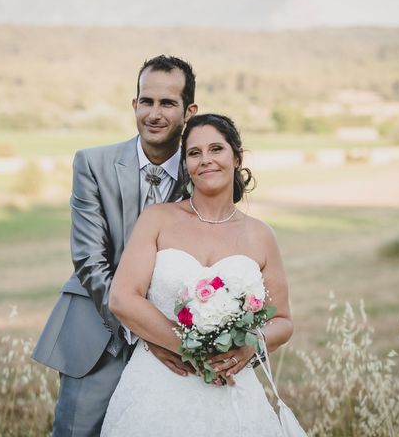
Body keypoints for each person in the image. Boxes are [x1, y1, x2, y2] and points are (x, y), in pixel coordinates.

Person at [32, 55, 199, 436]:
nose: (154, 113)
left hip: (176, 342)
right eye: (146, 101)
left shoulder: (201, 171)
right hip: (97, 333)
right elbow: (89, 259)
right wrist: (148, 333)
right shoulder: (92, 163)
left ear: (188, 111)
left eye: (167, 103)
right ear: (135, 104)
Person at [102, 114, 294, 436]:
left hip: (233, 391)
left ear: (236, 157)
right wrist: (191, 347)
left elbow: (283, 321)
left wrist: (251, 346)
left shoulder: (261, 236)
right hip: (158, 386)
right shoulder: (158, 219)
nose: (205, 160)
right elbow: (122, 297)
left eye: (216, 149)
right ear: (186, 164)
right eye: (194, 153)